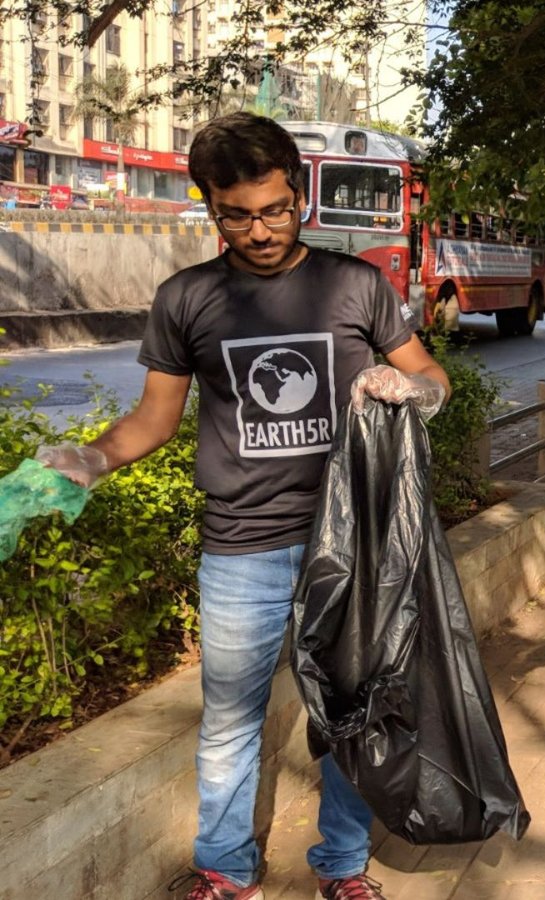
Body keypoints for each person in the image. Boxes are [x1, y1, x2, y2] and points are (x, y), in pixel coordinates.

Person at [36, 112, 449, 900]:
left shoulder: (355, 284)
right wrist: (92, 459)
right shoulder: (187, 298)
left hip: (351, 543)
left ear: (299, 192)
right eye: (237, 215)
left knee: (353, 715)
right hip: (242, 548)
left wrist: (412, 390)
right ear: (209, 206)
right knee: (229, 721)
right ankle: (226, 870)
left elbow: (433, 377)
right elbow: (154, 420)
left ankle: (342, 867)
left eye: (276, 209)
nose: (260, 231)